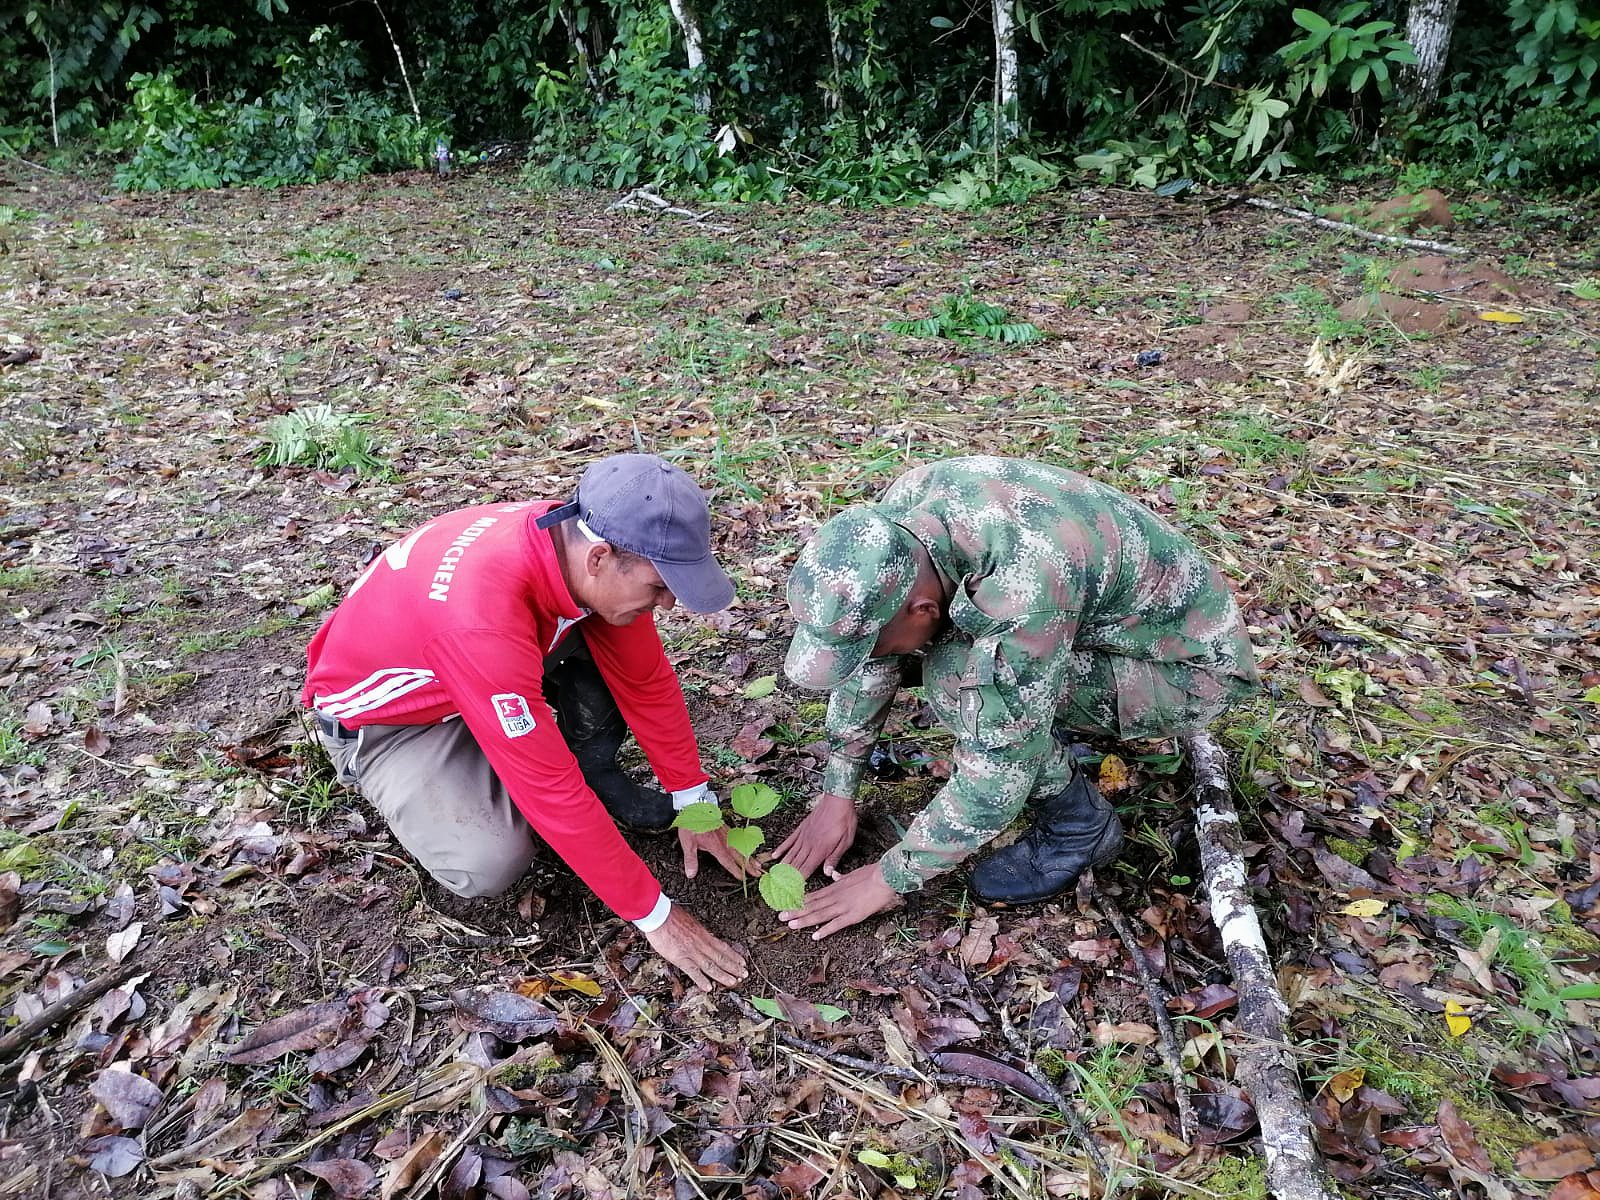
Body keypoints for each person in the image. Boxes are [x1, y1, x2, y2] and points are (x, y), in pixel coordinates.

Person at [302, 454, 753, 989]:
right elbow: (550, 788)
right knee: (489, 859)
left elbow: (645, 682)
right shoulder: (482, 618)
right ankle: (473, 766)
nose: (670, 603)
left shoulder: (578, 543)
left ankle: (573, 766)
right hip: (396, 723)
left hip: (486, 670)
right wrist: (656, 916)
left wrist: (693, 800)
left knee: (610, 637)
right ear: (602, 558)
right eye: (660, 587)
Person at [773, 456, 1259, 939]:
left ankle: (1080, 826)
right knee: (952, 664)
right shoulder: (900, 521)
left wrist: (890, 876)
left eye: (870, 644)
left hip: (1190, 675)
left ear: (922, 608)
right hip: (1108, 623)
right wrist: (838, 791)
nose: (869, 658)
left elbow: (1000, 762)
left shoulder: (1021, 594)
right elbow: (872, 660)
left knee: (957, 683)